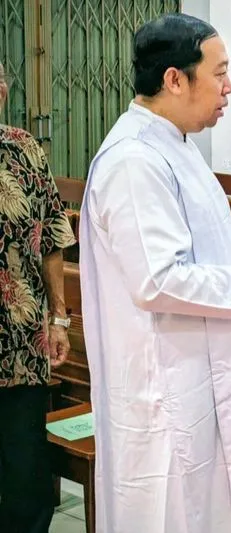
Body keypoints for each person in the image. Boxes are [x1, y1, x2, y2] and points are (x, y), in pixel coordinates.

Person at [79, 14, 231, 533]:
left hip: (210, 371)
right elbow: (158, 279)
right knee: (176, 511)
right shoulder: (134, 160)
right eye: (219, 73)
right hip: (170, 391)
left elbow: (205, 243)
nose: (229, 88)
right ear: (175, 79)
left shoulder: (175, 145)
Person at [0, 60, 76, 533]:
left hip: (21, 343)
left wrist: (59, 318)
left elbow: (52, 234)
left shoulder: (23, 149)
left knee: (26, 474)